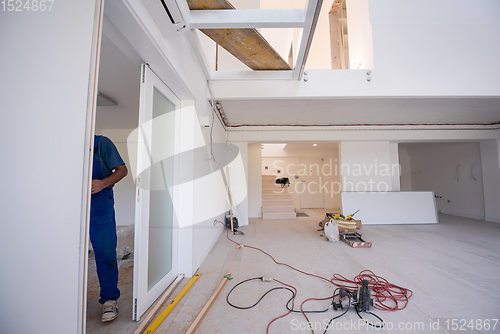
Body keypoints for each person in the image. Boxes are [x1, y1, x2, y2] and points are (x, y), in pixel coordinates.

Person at [90, 135, 128, 322]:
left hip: (99, 208)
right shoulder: (62, 142)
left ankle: (109, 300)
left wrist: (103, 182)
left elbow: (122, 170)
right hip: (69, 210)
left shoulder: (101, 143)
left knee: (106, 255)